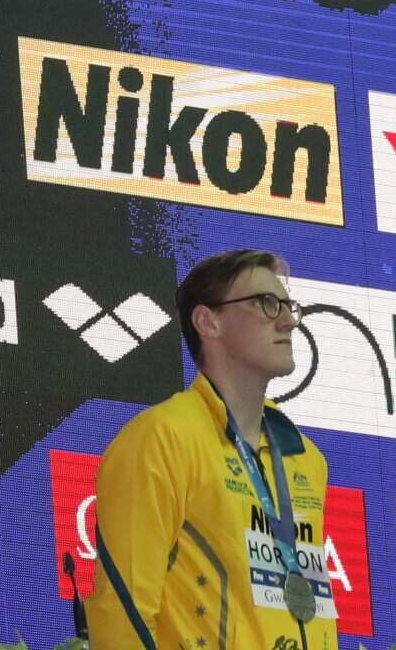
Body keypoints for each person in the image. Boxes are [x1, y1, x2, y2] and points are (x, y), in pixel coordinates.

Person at [88, 250, 338, 650]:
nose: (288, 320)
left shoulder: (305, 459)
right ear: (208, 321)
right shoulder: (162, 438)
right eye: (266, 303)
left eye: (289, 306)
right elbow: (122, 613)